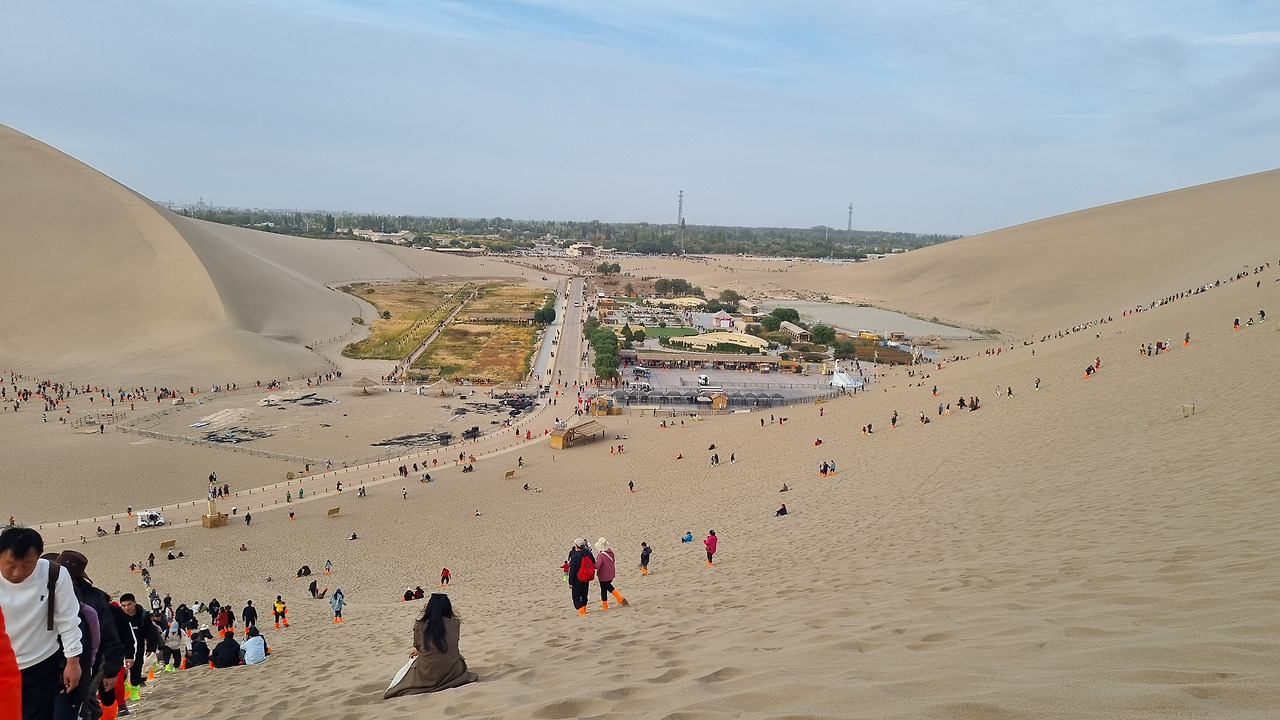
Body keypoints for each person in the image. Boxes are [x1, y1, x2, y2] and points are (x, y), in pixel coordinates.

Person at [0, 527, 83, 720]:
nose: (17, 573)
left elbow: (68, 619)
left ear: (38, 558)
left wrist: (73, 661)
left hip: (41, 663)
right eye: (10, 565)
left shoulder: (54, 574)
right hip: (3, 667)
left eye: (27, 565)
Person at [383, 594, 477, 698]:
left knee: (408, 668)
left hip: (428, 673)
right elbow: (451, 643)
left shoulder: (420, 625)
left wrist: (419, 650)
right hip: (453, 671)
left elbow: (418, 645)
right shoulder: (455, 624)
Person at [593, 539, 627, 610]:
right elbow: (613, 561)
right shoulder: (610, 552)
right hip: (611, 573)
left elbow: (597, 566)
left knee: (603, 591)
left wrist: (592, 564)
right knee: (608, 586)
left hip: (603, 575)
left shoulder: (600, 555)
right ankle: (619, 598)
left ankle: (605, 606)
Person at [566, 540, 594, 615]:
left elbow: (572, 571)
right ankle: (584, 609)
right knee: (584, 594)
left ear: (576, 546)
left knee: (576, 597)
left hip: (577, 579)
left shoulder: (574, 556)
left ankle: (582, 612)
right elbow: (593, 562)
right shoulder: (588, 553)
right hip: (586, 577)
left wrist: (570, 582)